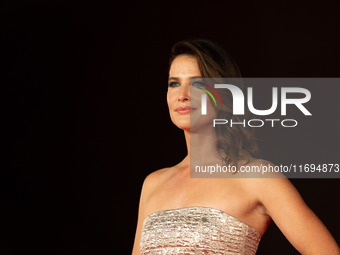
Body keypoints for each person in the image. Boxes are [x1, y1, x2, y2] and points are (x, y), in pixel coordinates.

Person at [131, 39, 340, 254]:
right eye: (174, 83)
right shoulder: (153, 184)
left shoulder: (257, 177)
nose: (182, 95)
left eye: (197, 84)